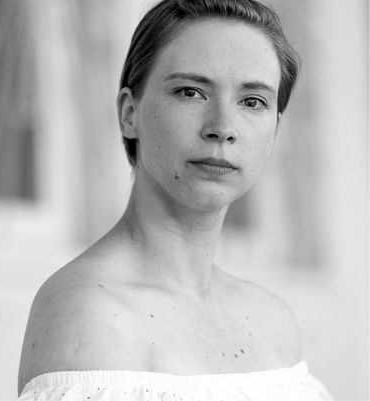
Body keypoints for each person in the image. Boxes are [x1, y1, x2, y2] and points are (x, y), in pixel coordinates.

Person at [17, 0, 334, 399]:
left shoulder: (275, 323)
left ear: (275, 129)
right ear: (129, 113)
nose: (222, 127)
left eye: (252, 101)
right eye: (190, 92)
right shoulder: (89, 315)